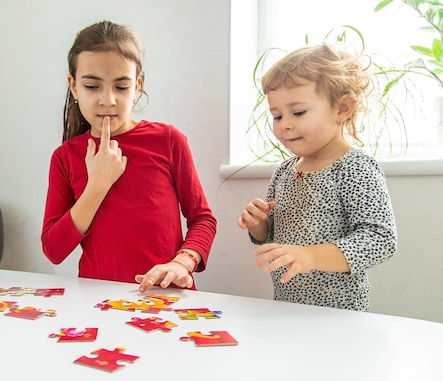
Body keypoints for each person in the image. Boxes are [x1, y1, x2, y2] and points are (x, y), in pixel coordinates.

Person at [41, 20, 216, 293]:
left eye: (121, 87)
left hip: (163, 298)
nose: (107, 100)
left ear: (137, 85)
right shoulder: (65, 157)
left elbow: (203, 219)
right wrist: (97, 186)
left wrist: (183, 263)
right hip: (94, 302)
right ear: (73, 87)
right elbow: (54, 249)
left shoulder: (168, 140)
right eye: (92, 86)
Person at [237, 44, 397, 311]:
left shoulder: (354, 167)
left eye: (298, 112)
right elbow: (272, 237)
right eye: (277, 116)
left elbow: (380, 240)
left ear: (342, 108)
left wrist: (312, 256)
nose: (285, 124)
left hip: (339, 313)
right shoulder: (284, 170)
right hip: (289, 306)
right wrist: (258, 224)